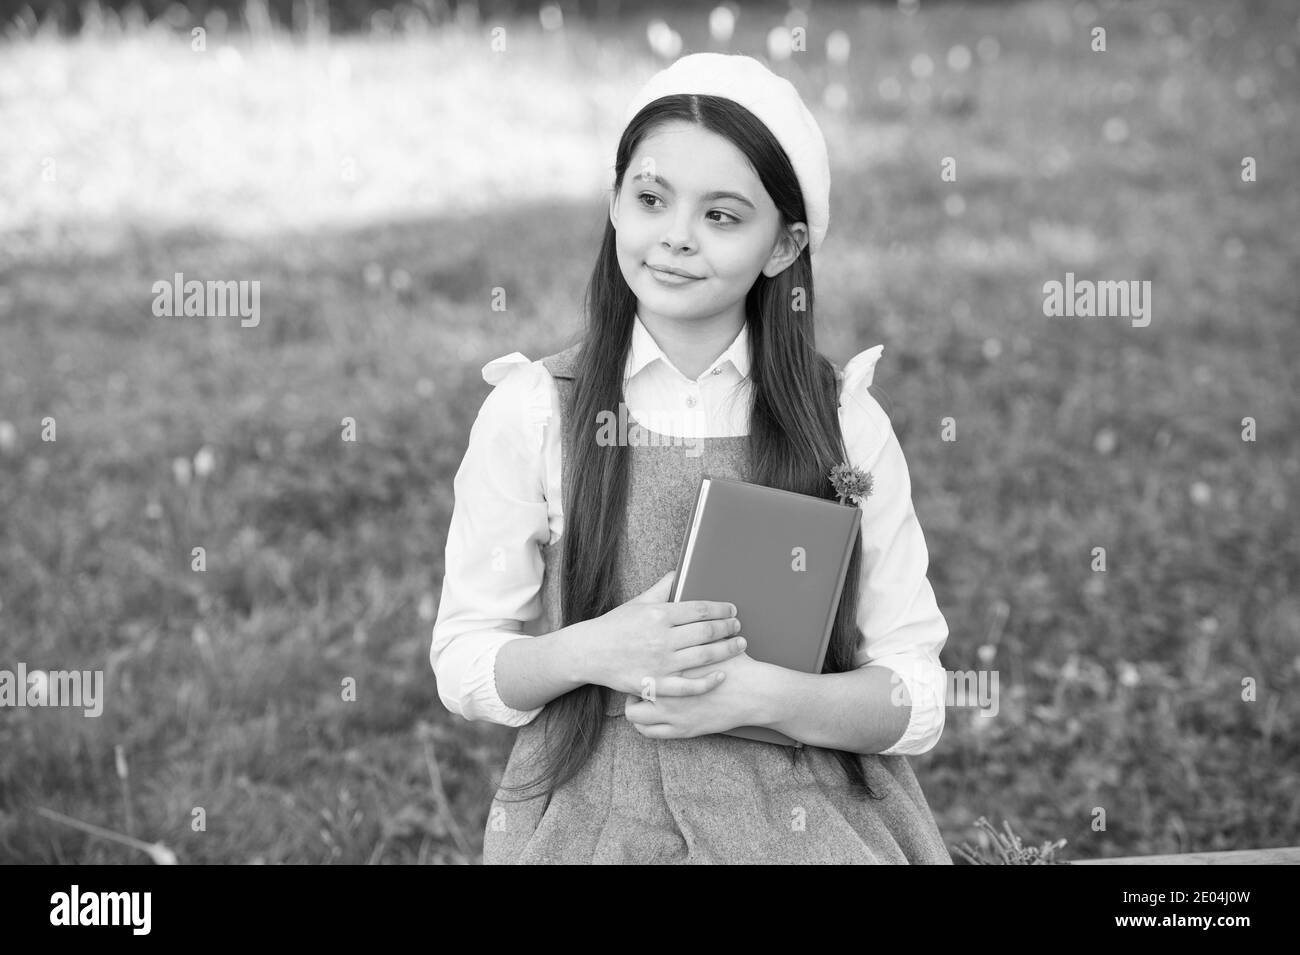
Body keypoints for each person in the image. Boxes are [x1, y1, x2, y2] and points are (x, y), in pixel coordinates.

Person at [431, 53, 953, 864]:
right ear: (614, 203)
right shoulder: (535, 411)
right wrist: (592, 650)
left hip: (805, 808)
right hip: (597, 811)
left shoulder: (842, 418)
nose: (674, 236)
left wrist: (770, 697)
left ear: (784, 246)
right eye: (650, 199)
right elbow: (464, 659)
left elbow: (916, 692)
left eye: (722, 216)